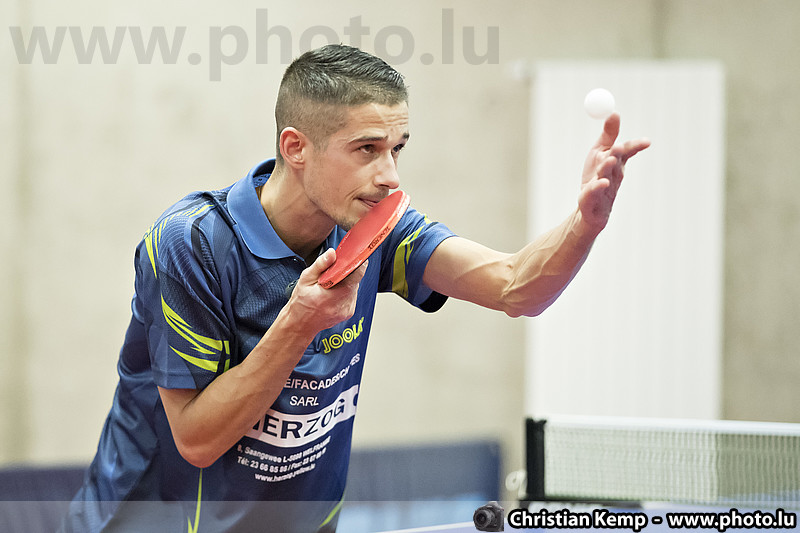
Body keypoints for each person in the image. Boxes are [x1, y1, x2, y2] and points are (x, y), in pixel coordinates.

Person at [61, 44, 649, 532]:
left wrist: (584, 223)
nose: (389, 175)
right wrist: (299, 322)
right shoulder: (191, 244)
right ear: (296, 147)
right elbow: (197, 440)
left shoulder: (378, 226)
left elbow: (517, 287)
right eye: (367, 149)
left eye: (396, 149)